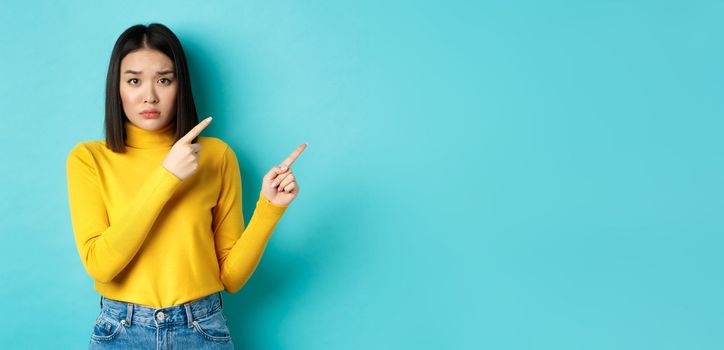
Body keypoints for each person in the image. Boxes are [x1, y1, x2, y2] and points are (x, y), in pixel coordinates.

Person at [65, 23, 307, 349]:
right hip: (122, 330)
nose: (149, 95)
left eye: (164, 80)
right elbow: (100, 265)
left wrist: (269, 207)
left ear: (180, 86)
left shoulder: (217, 157)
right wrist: (167, 176)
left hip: (200, 328)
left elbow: (230, 279)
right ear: (117, 87)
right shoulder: (89, 159)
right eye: (134, 80)